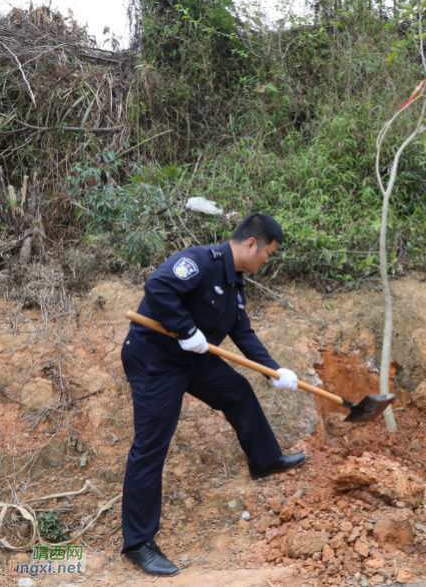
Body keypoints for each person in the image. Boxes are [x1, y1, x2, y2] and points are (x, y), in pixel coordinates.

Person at [119, 213, 309, 576]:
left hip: (191, 358)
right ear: (251, 244)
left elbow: (243, 333)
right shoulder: (201, 261)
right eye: (267, 253)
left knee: (236, 389)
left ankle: (264, 459)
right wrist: (186, 328)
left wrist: (275, 370)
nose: (267, 261)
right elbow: (158, 287)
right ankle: (138, 542)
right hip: (155, 359)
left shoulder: (234, 283)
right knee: (151, 445)